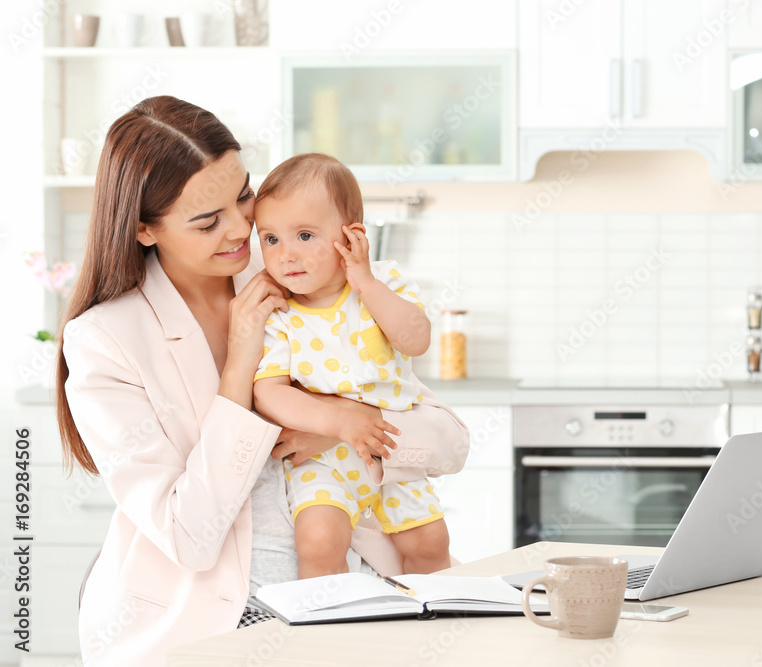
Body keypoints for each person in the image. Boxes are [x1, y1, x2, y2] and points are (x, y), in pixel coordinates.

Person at [55, 96, 469, 667]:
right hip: (210, 618)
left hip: (350, 582)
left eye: (243, 196)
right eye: (208, 220)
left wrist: (337, 430)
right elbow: (190, 536)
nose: (243, 230)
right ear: (146, 230)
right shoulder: (105, 340)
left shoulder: (298, 270)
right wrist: (238, 366)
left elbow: (449, 440)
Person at [252, 153, 453, 579]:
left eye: (304, 235)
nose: (285, 254)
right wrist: (339, 423)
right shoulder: (281, 314)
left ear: (351, 236)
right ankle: (319, 635)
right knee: (320, 542)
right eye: (270, 239)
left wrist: (365, 282)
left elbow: (415, 339)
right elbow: (269, 392)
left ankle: (435, 617)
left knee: (431, 543)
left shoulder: (384, 282)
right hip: (322, 461)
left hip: (389, 454)